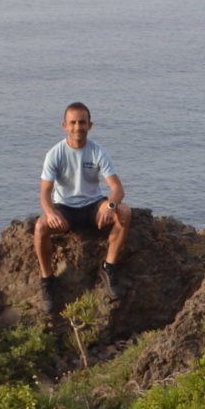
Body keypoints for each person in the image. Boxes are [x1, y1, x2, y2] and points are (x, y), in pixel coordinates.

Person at [35, 101, 132, 313]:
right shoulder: (55, 154)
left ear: (90, 125)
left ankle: (109, 267)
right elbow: (44, 192)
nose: (77, 127)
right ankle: (47, 280)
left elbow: (117, 188)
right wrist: (50, 213)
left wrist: (111, 206)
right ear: (64, 126)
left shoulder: (98, 152)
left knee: (124, 212)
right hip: (65, 209)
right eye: (73, 122)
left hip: (93, 207)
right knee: (40, 226)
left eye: (82, 122)